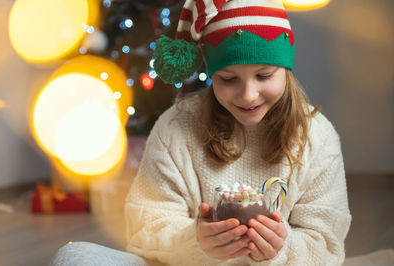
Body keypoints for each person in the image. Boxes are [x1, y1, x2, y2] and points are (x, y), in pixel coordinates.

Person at [51, 0, 351, 265]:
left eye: (264, 75)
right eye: (228, 78)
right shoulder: (176, 127)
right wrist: (196, 243)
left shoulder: (317, 138)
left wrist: (280, 249)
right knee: (74, 257)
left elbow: (326, 247)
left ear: (286, 69)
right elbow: (145, 230)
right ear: (212, 73)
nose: (248, 95)